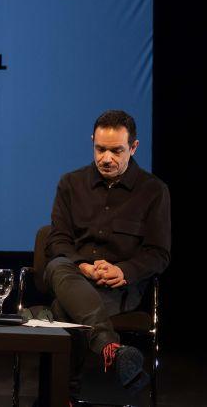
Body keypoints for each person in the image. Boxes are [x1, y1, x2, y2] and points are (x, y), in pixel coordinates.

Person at [44, 110, 170, 394]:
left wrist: (123, 270)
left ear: (133, 147)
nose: (106, 158)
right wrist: (83, 266)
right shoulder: (70, 184)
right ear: (92, 142)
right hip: (73, 276)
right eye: (100, 149)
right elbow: (58, 241)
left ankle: (63, 395)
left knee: (61, 310)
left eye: (116, 150)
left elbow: (159, 253)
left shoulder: (153, 191)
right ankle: (111, 348)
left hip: (118, 289)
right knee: (57, 265)